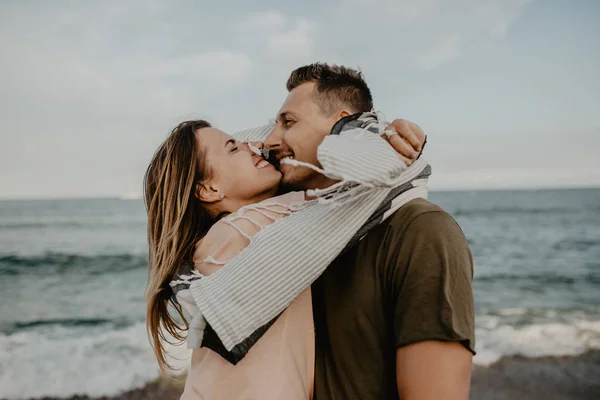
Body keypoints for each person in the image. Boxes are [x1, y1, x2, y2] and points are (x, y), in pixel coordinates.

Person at [144, 114, 425, 396]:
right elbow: (350, 190)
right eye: (233, 148)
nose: (253, 145)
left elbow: (297, 123)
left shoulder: (250, 231)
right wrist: (376, 138)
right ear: (209, 189)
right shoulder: (237, 233)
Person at [259, 63, 476, 399]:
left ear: (341, 124)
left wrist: (370, 136)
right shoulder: (286, 230)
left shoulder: (420, 230)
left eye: (288, 122)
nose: (271, 140)